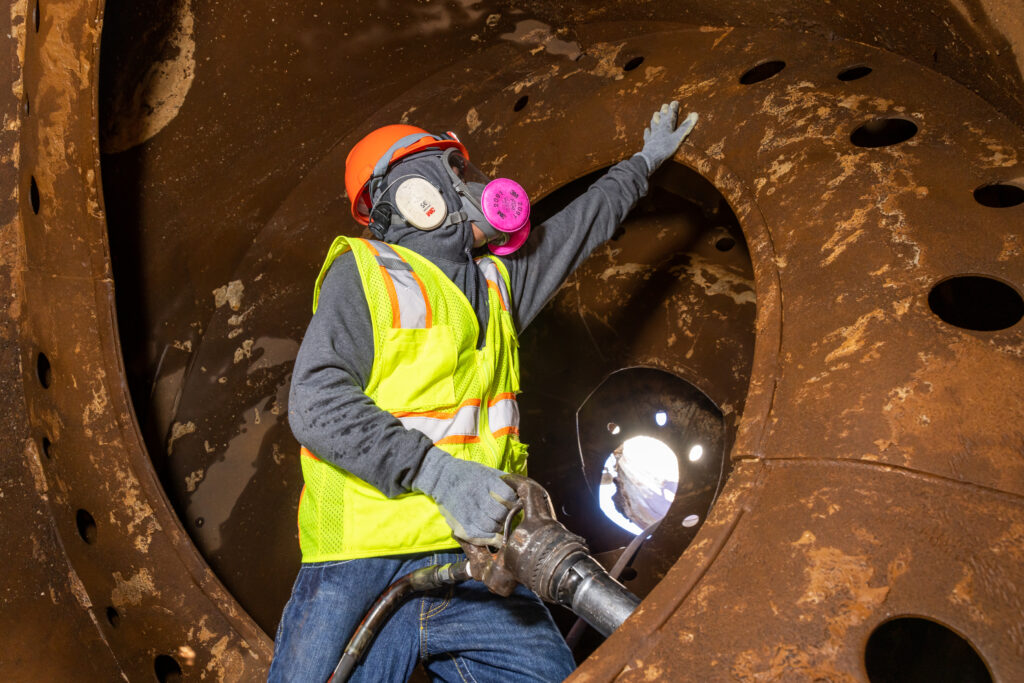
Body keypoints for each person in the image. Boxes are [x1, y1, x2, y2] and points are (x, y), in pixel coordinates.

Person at [269, 101, 698, 682]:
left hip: (479, 558)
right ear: (412, 195)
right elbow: (315, 401)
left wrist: (642, 165)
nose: (469, 186)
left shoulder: (498, 283)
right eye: (450, 171)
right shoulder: (366, 273)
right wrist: (440, 476)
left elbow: (579, 228)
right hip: (364, 561)